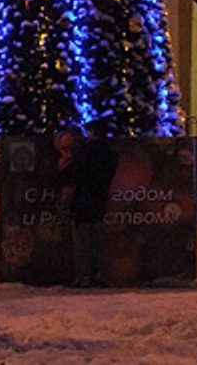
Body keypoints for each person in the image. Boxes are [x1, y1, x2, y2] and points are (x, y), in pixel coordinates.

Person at [66, 119, 118, 288]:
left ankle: (84, 276)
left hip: (82, 199)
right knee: (96, 238)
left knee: (82, 240)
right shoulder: (109, 152)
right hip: (99, 199)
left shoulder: (84, 151)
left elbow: (75, 173)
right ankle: (97, 273)